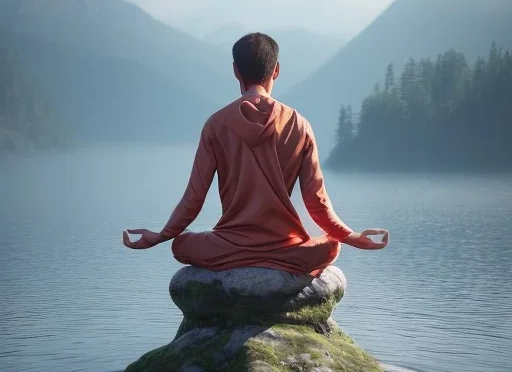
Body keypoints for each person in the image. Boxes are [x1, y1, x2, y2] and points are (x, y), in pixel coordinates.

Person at [123, 33, 388, 275]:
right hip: (287, 248)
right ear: (276, 70)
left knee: (181, 245)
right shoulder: (299, 124)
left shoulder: (216, 125)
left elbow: (193, 200)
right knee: (331, 245)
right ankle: (278, 261)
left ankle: (242, 259)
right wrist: (351, 236)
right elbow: (317, 204)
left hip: (229, 247)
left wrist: (160, 236)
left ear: (236, 71)